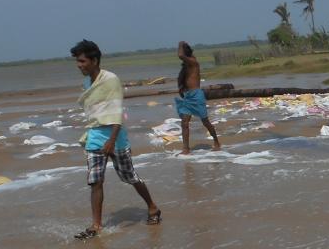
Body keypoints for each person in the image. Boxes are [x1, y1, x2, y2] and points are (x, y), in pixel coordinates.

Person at [70, 40, 160, 240]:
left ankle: (153, 208)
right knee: (95, 181)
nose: (79, 65)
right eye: (77, 61)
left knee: (129, 177)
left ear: (94, 60)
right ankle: (96, 225)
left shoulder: (111, 80)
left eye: (82, 61)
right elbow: (95, 111)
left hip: (114, 136)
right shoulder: (86, 83)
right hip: (94, 135)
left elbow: (116, 112)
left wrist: (111, 140)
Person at [175, 41, 220, 155]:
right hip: (188, 96)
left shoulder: (194, 62)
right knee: (184, 122)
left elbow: (180, 55)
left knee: (205, 121)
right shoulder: (186, 66)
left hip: (197, 95)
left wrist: (180, 44)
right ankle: (186, 148)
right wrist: (181, 88)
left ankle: (216, 141)